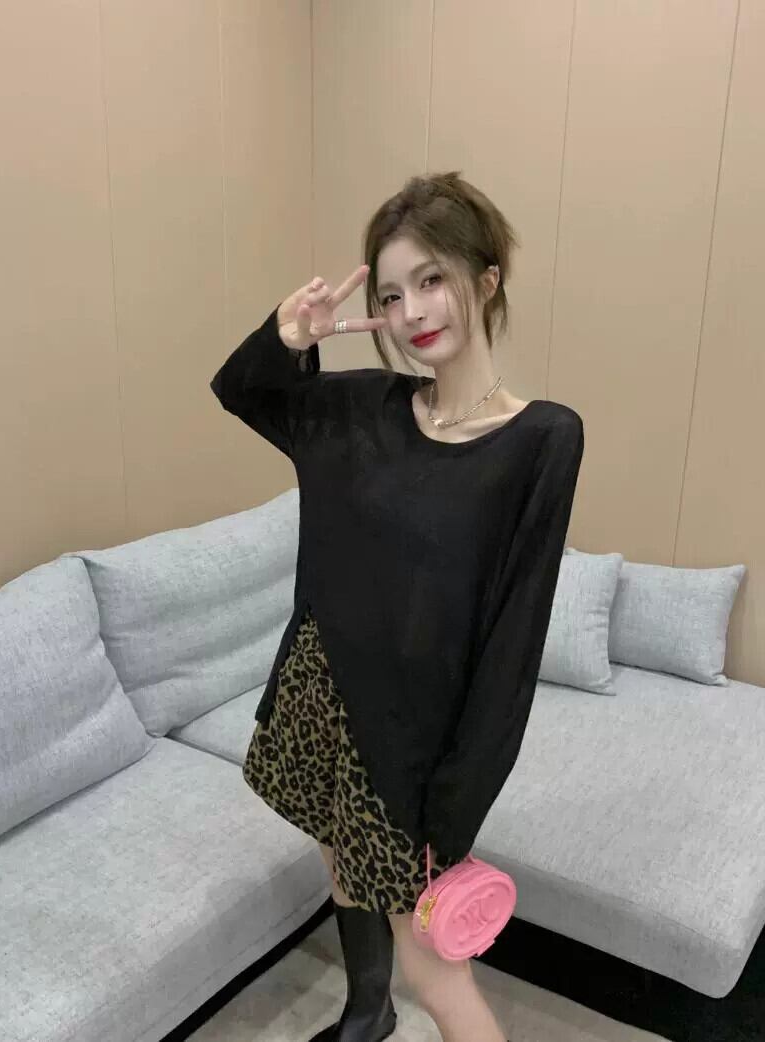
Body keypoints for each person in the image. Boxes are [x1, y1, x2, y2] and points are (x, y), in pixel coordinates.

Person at [210, 171, 584, 1042]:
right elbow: (242, 390)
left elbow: (512, 645)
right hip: (321, 695)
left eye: (431, 279)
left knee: (437, 974)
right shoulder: (359, 409)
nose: (411, 310)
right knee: (341, 869)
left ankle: (379, 1004)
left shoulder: (541, 439)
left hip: (409, 750)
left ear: (486, 279)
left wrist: (455, 808)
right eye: (389, 294)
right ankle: (365, 1013)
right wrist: (289, 336)